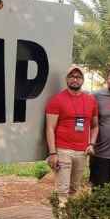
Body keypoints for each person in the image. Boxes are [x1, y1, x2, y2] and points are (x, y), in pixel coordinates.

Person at [45, 66, 98, 196]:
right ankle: (62, 210)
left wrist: (91, 144)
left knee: (74, 189)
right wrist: (53, 153)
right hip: (63, 150)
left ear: (82, 80)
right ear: (66, 79)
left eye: (78, 77)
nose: (75, 79)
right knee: (62, 190)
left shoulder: (91, 100)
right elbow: (50, 128)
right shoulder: (57, 100)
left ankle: (70, 210)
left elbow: (95, 126)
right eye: (71, 76)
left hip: (82, 151)